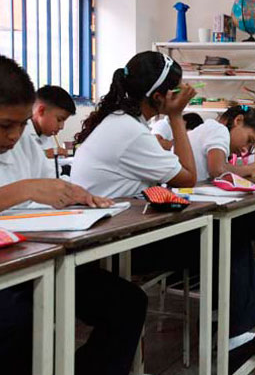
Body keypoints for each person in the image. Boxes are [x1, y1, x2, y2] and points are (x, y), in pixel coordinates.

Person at [70, 51, 255, 374]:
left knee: (225, 234)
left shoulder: (121, 121)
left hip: (114, 232)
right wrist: (176, 117)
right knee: (229, 236)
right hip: (109, 246)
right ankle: (235, 337)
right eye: (177, 90)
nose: (183, 94)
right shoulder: (130, 130)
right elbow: (185, 177)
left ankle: (232, 327)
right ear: (159, 96)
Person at [0, 54, 146, 375]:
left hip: (39, 259)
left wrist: (75, 196)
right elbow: (30, 189)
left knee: (128, 304)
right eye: (5, 125)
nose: (14, 135)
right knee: (20, 321)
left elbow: (47, 188)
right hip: (8, 276)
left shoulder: (24, 142)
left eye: (22, 124)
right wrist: (22, 190)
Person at [188, 105, 255, 181]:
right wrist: (249, 169)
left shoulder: (211, 129)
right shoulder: (219, 129)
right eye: (249, 140)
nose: (245, 150)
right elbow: (218, 171)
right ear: (238, 120)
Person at [28, 84, 76, 158]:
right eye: (59, 120)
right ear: (41, 110)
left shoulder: (46, 134)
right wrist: (45, 154)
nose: (61, 127)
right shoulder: (21, 134)